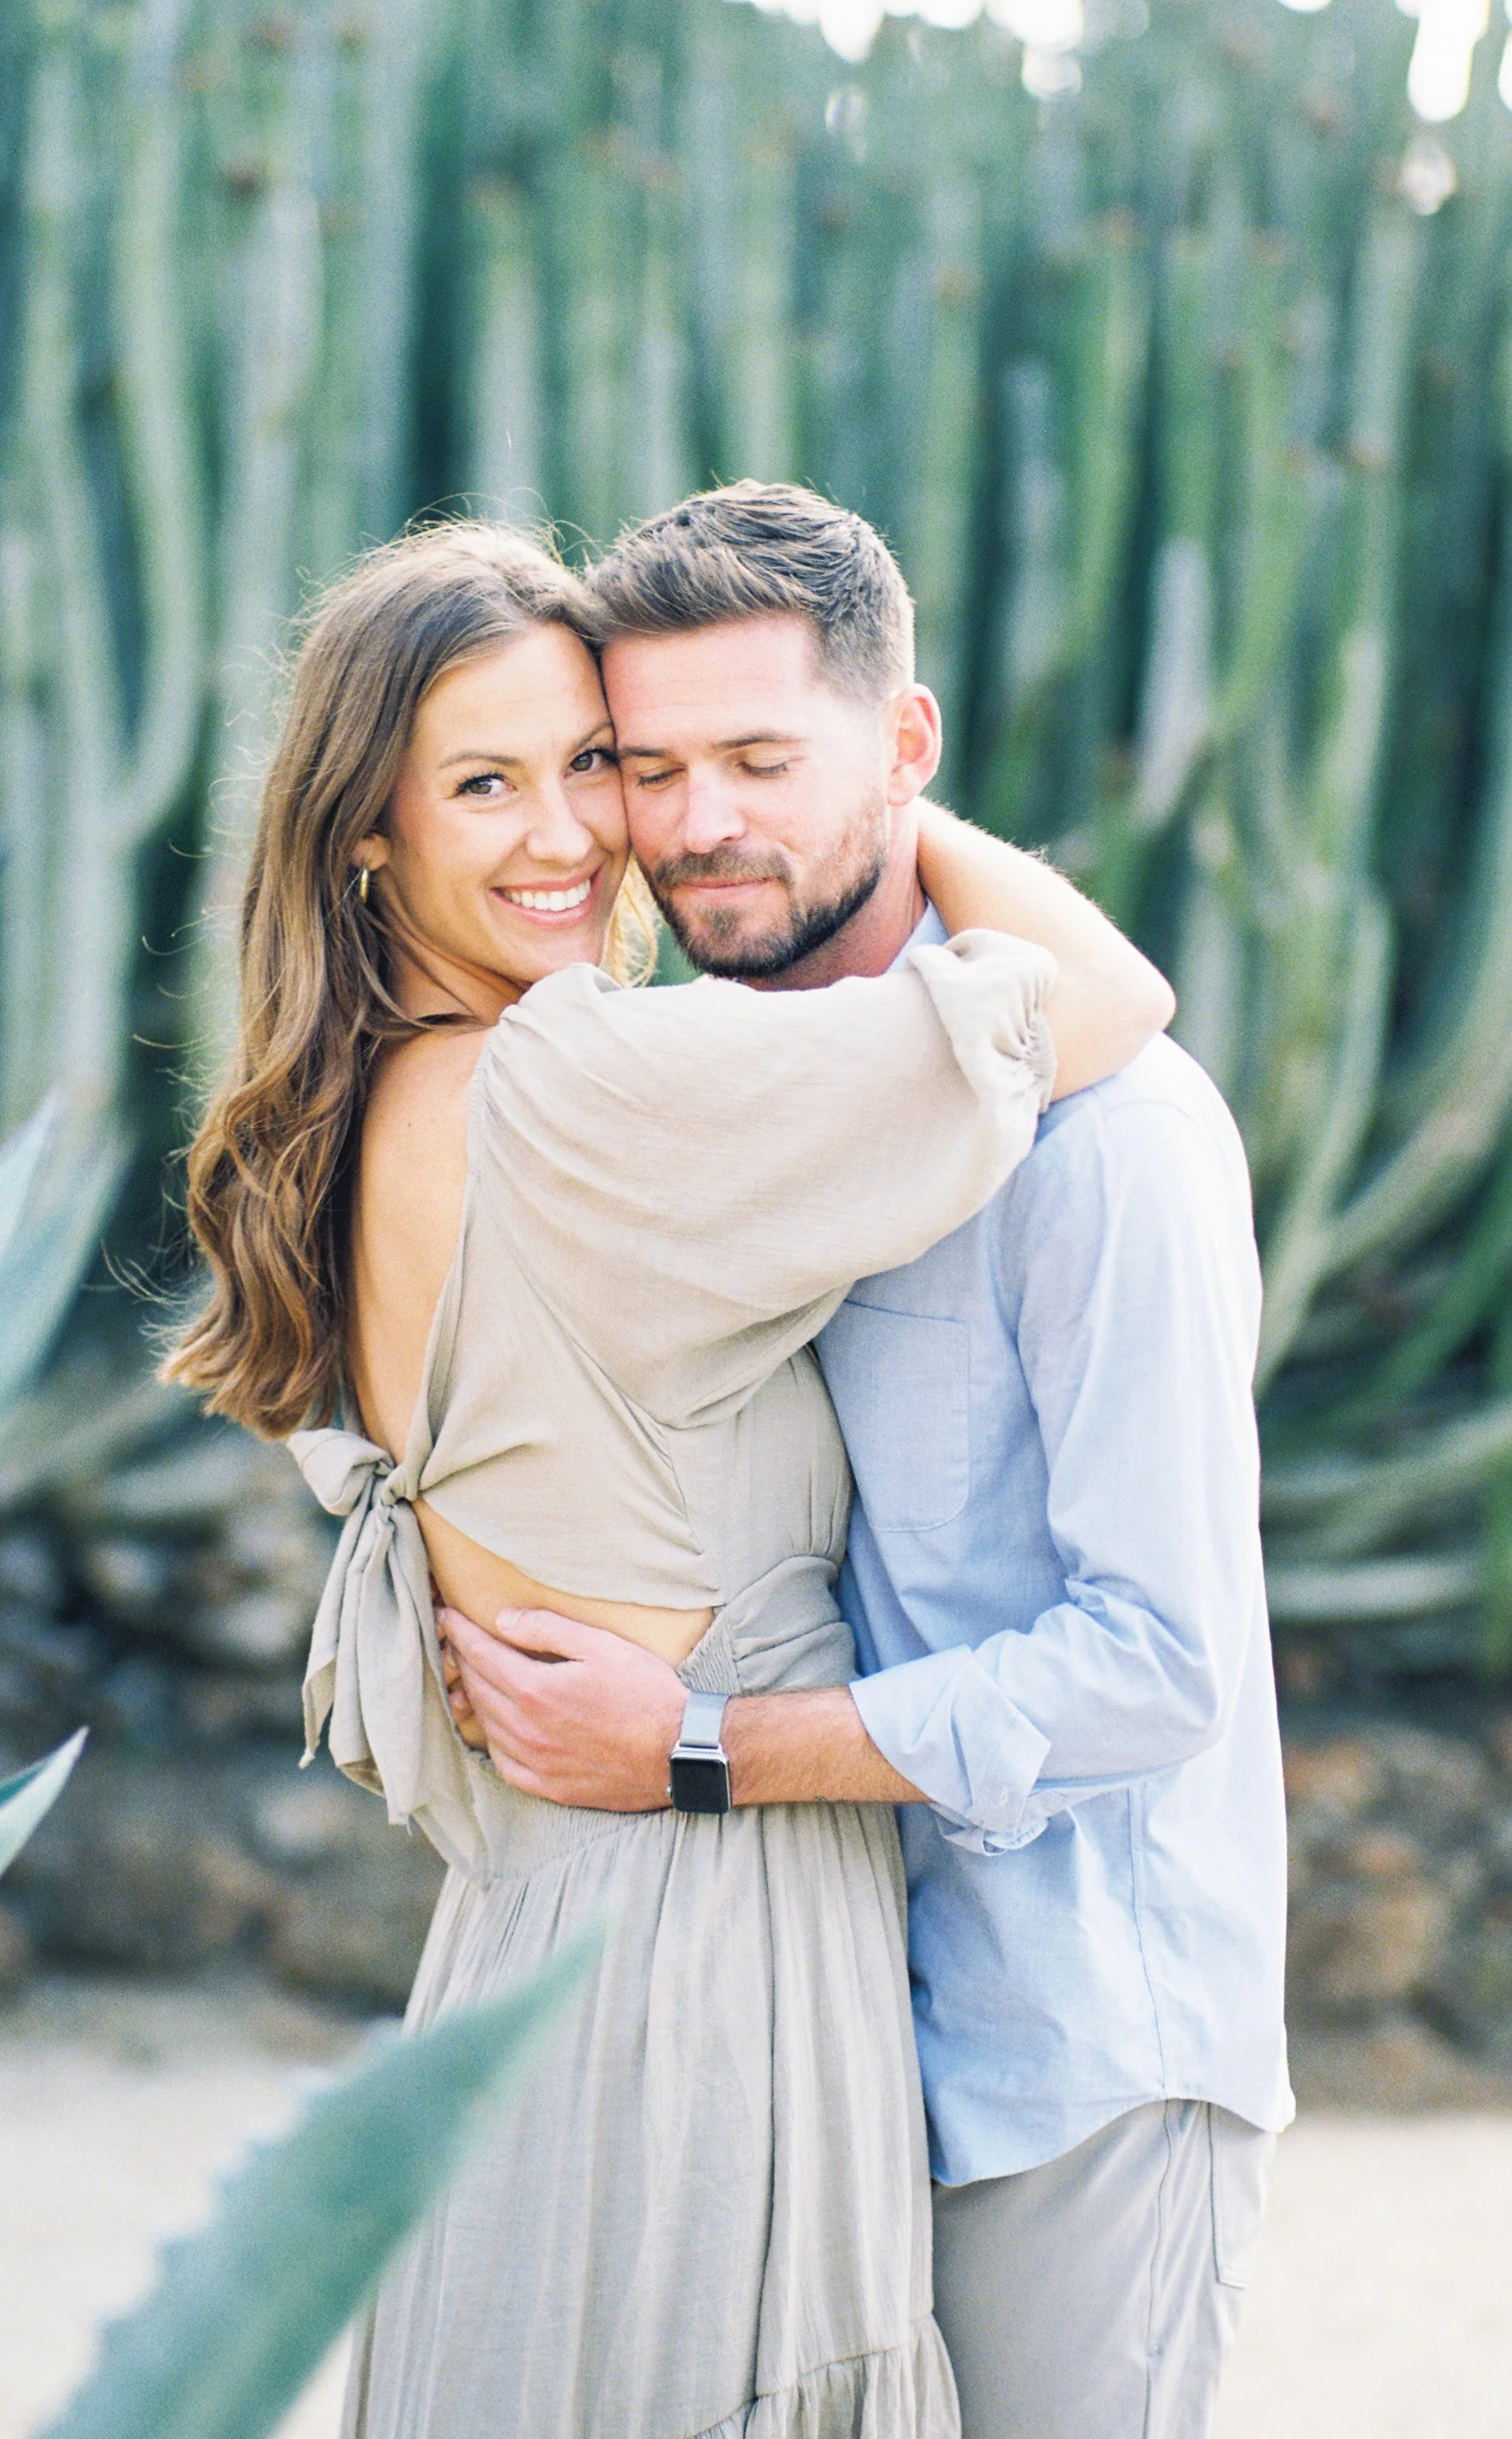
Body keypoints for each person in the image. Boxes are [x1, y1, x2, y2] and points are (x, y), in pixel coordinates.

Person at [165, 518, 1172, 2439]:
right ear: (364, 831)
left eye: (592, 766)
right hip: (698, 1948)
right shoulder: (572, 1089)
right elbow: (1100, 1001)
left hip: (550, 1933)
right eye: (485, 783)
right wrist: (890, 787)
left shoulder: (400, 1094)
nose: (574, 835)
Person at [442, 482, 1292, 2439]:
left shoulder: (1114, 1150)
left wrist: (696, 1748)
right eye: (646, 767)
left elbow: (1156, 1660)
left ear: (903, 746)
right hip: (809, 2027)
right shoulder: (729, 1101)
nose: (697, 824)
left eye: (761, 756)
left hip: (1070, 2057)